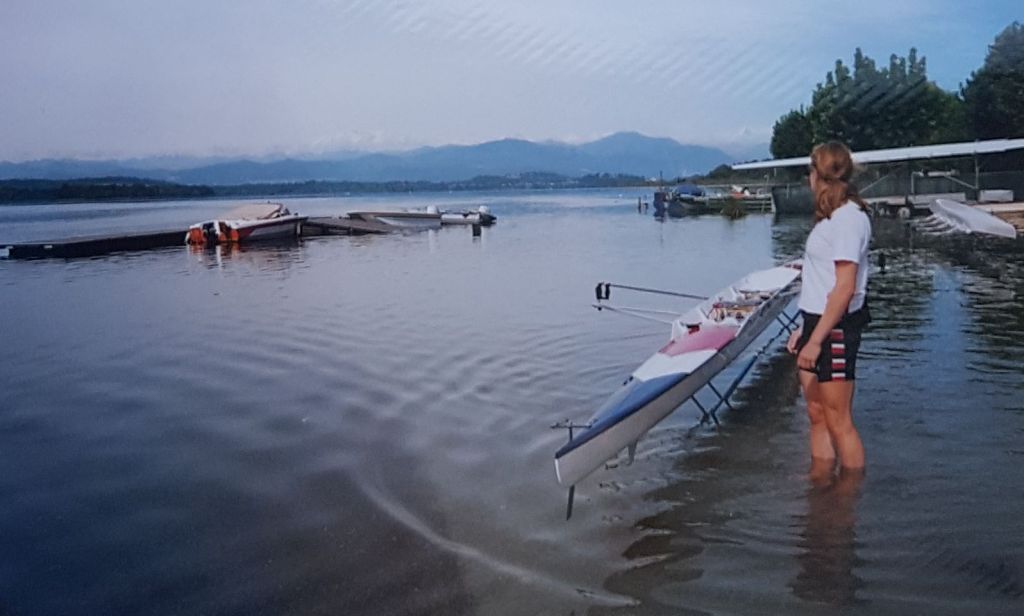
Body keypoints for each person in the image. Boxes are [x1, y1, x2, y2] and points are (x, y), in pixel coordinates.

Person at [786, 141, 872, 472]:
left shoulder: (849, 219)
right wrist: (803, 329)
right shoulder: (831, 218)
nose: (807, 178)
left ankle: (847, 501)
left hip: (835, 328)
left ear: (819, 174)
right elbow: (821, 280)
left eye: (810, 170)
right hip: (816, 322)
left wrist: (817, 339)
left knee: (839, 420)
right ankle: (820, 489)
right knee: (817, 414)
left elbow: (845, 287)